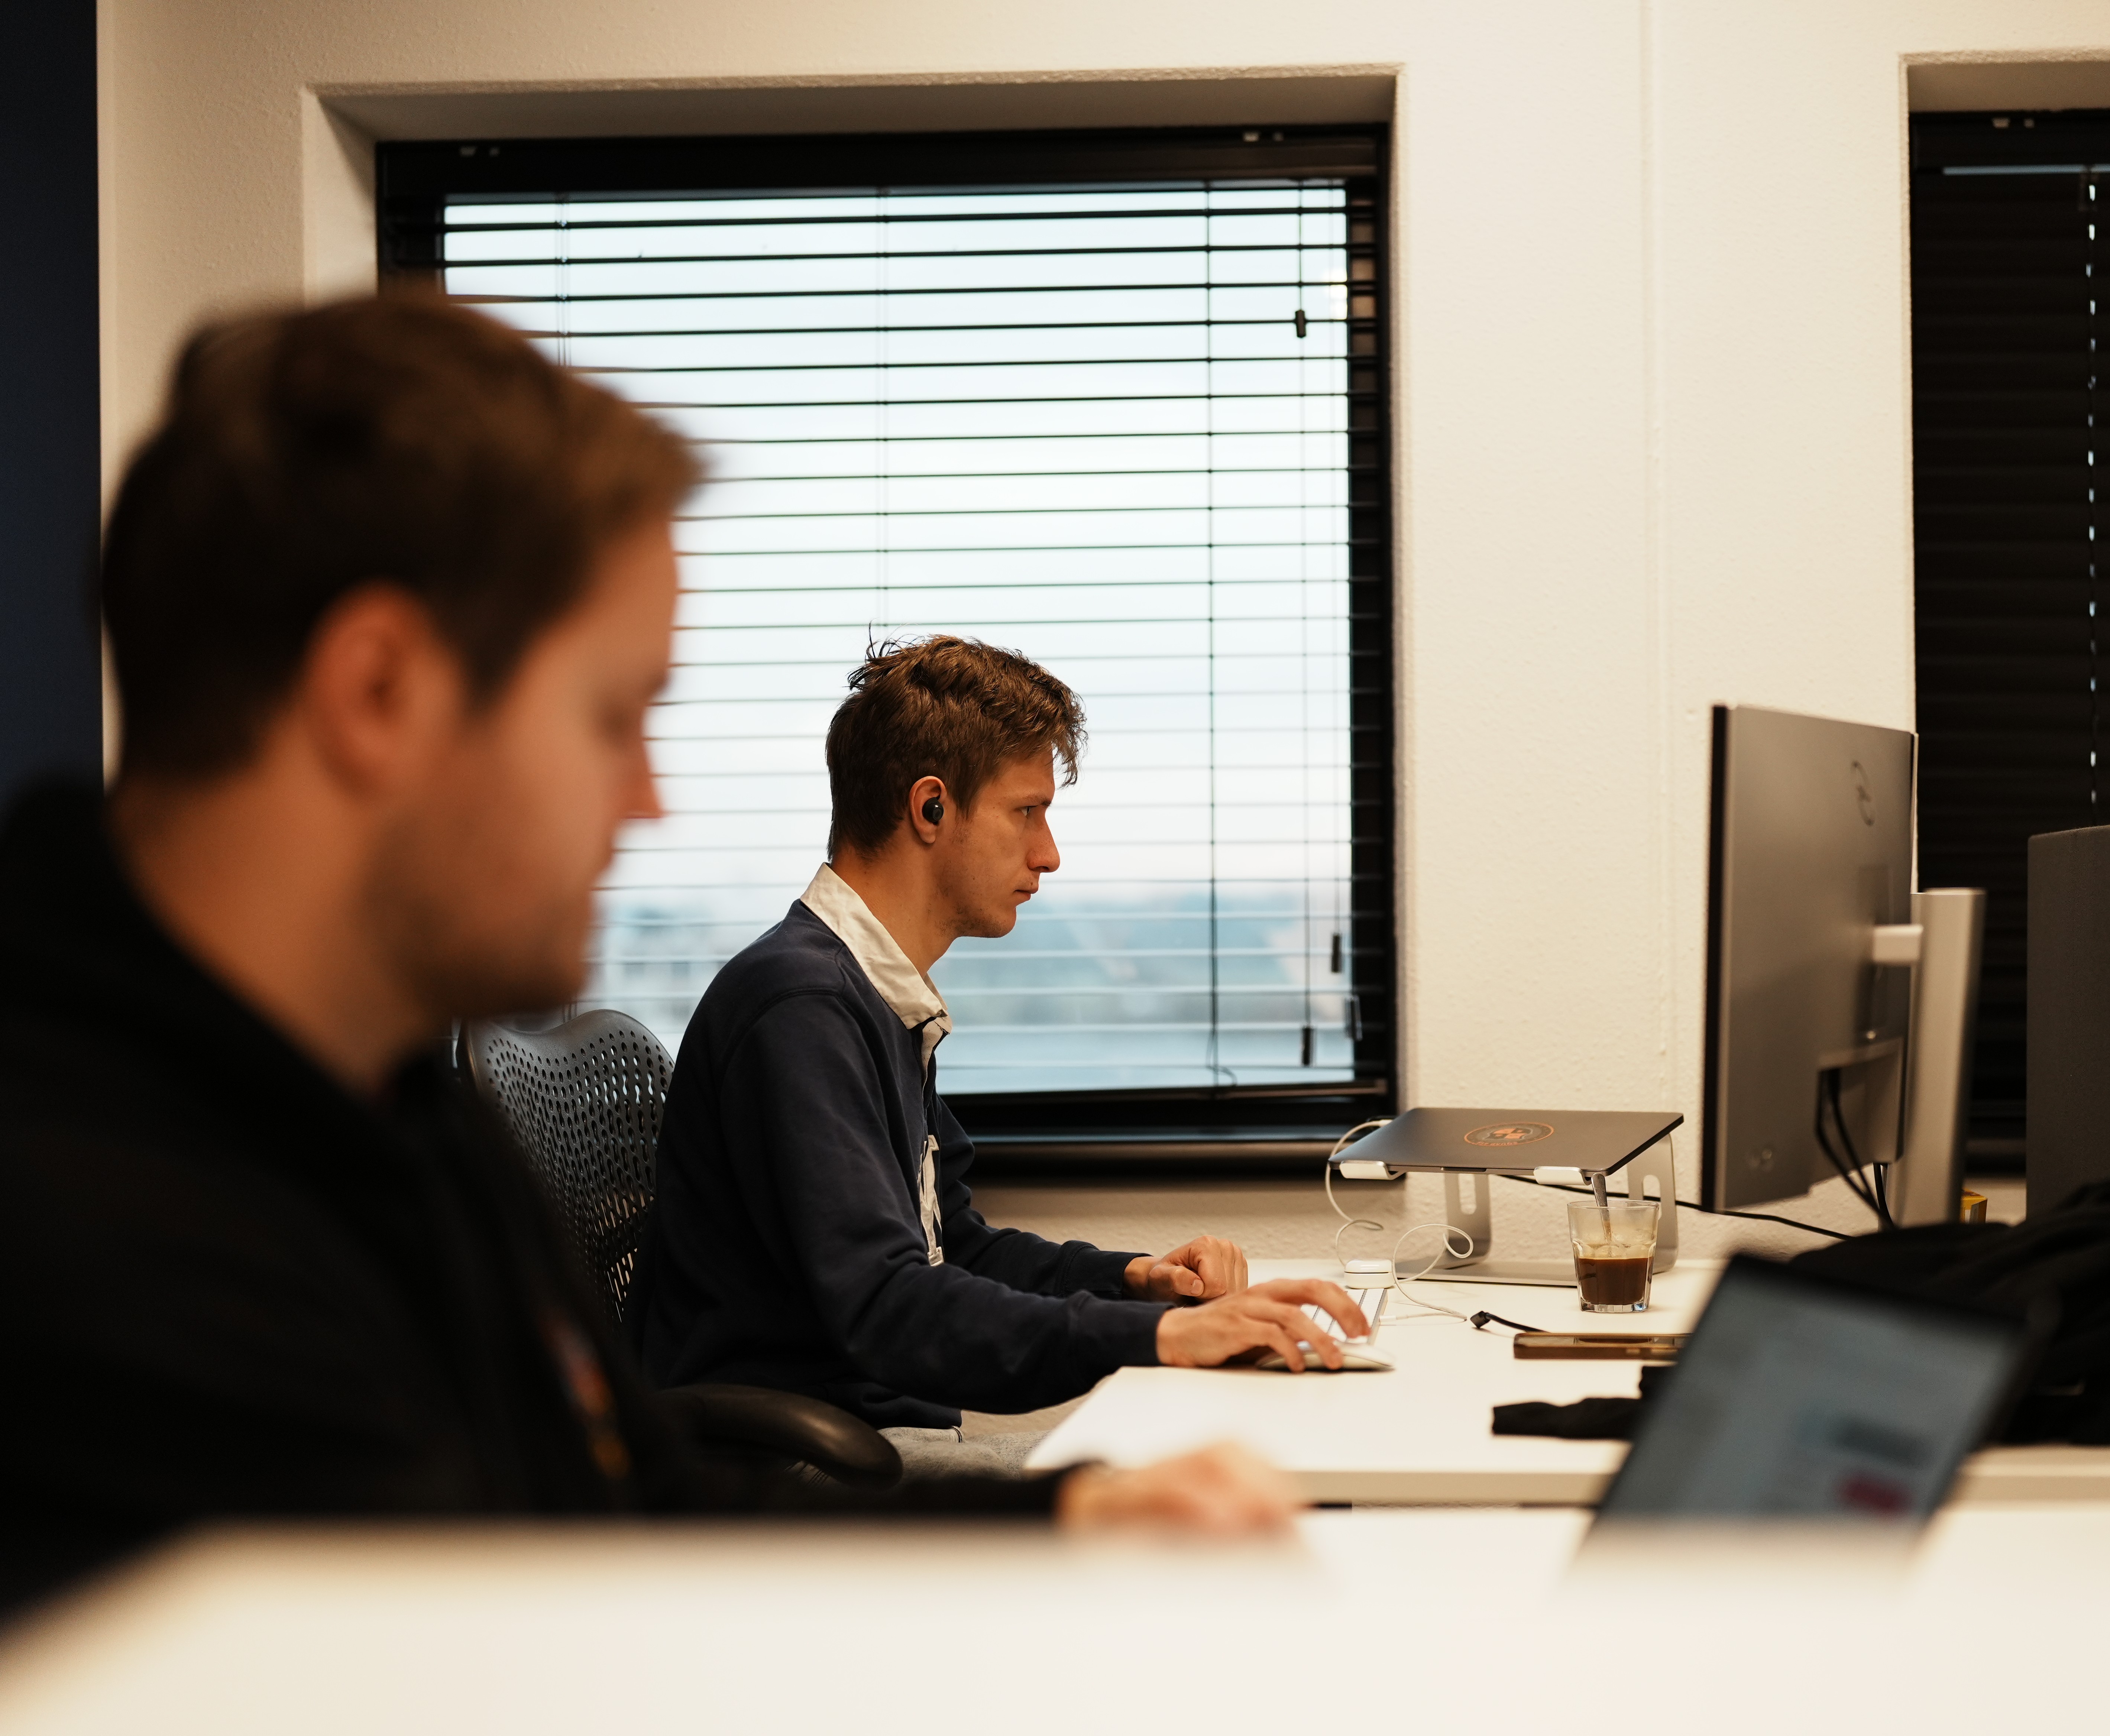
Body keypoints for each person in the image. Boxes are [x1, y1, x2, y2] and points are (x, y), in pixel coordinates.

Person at [0, 295, 1292, 1613]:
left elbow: (630, 1510)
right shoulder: (87, 1225)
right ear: (378, 693)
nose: (647, 802)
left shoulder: (398, 1113)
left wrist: (1061, 1522)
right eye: (611, 717)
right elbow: (469, 1640)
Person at [629, 637, 1368, 1475]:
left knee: (1220, 1470)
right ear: (931, 808)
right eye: (1027, 812)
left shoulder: (872, 993)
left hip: (875, 1441)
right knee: (1199, 1498)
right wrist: (1163, 1336)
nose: (1047, 853)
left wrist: (1137, 1281)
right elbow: (887, 1306)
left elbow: (955, 1248)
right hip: (800, 1468)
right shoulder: (802, 1008)